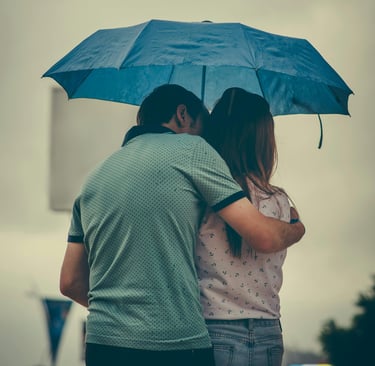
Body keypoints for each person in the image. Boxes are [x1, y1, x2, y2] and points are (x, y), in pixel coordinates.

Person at [59, 84, 305, 366]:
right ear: (183, 114)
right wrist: (296, 227)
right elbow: (262, 235)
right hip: (173, 344)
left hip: (102, 343)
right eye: (204, 127)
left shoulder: (94, 179)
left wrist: (121, 316)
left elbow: (70, 282)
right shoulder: (193, 149)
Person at [196, 87, 300, 366]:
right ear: (264, 140)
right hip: (269, 330)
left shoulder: (205, 197)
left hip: (213, 327)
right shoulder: (278, 201)